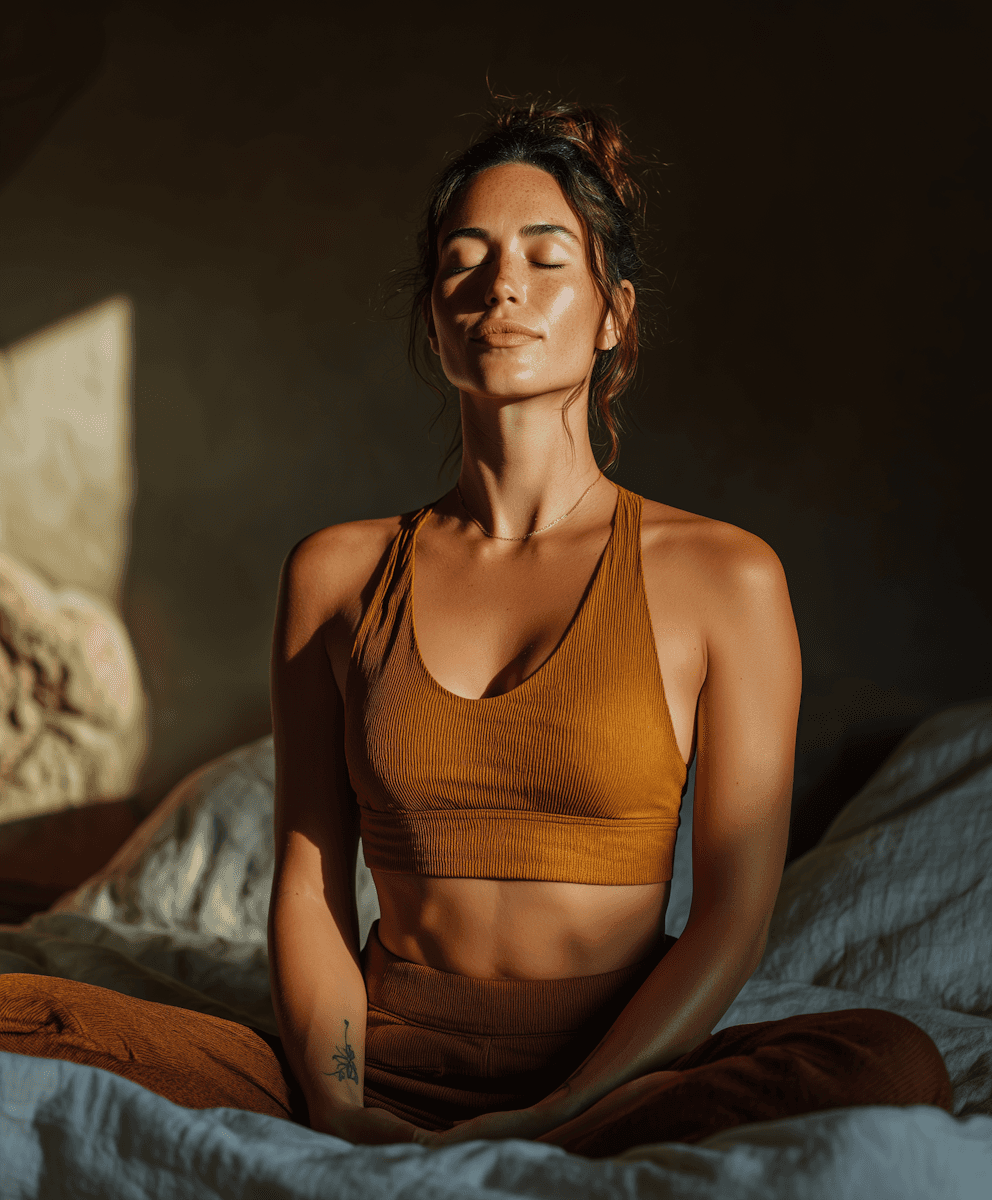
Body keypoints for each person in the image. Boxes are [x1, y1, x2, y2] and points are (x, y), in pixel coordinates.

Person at [0, 100, 952, 1158]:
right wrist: (339, 1108)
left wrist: (557, 1113)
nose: (500, 286)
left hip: (617, 1078)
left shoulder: (724, 578)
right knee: (20, 1011)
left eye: (546, 259)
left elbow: (732, 919)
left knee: (888, 1063)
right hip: (377, 1062)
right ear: (433, 318)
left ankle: (566, 1141)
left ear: (614, 314)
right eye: (464, 260)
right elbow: (309, 892)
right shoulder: (337, 574)